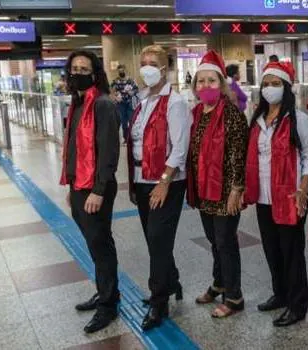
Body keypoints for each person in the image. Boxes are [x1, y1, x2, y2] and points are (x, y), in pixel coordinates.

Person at [244, 62, 308, 327]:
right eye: (266, 84)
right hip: (264, 196)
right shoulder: (258, 120)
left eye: (276, 84)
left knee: (291, 253)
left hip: (289, 196)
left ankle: (297, 305)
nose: (269, 89)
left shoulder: (298, 119)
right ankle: (281, 294)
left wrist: (304, 190)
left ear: (286, 88)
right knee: (272, 250)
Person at [127, 45, 192, 331]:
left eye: (153, 63)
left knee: (157, 238)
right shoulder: (141, 101)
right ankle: (173, 279)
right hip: (142, 180)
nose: (147, 68)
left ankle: (159, 300)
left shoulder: (175, 102)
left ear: (165, 69)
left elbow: (180, 147)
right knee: (155, 240)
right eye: (143, 63)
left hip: (166, 182)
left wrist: (165, 181)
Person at [60, 50, 121, 334]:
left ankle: (108, 305)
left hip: (97, 188)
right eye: (74, 68)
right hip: (79, 185)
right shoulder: (78, 103)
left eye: (84, 68)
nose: (78, 73)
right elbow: (74, 148)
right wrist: (72, 186)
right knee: (94, 245)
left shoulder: (103, 104)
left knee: (101, 244)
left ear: (95, 73)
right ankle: (104, 291)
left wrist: (97, 191)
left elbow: (109, 152)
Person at [187, 50, 249, 318]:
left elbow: (239, 154)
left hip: (226, 192)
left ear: (222, 84)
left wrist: (237, 189)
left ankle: (234, 296)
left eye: (211, 81)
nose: (206, 86)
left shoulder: (232, 114)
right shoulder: (197, 112)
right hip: (203, 188)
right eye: (201, 82)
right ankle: (219, 282)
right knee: (213, 240)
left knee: (225, 242)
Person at [111, 64, 138, 144]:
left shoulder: (130, 80)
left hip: (129, 103)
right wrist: (115, 97)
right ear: (118, 71)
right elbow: (111, 90)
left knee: (131, 120)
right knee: (123, 122)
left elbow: (136, 89)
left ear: (125, 70)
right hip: (121, 104)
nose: (121, 72)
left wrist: (132, 92)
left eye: (122, 70)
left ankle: (132, 137)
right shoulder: (116, 81)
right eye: (119, 71)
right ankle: (126, 138)